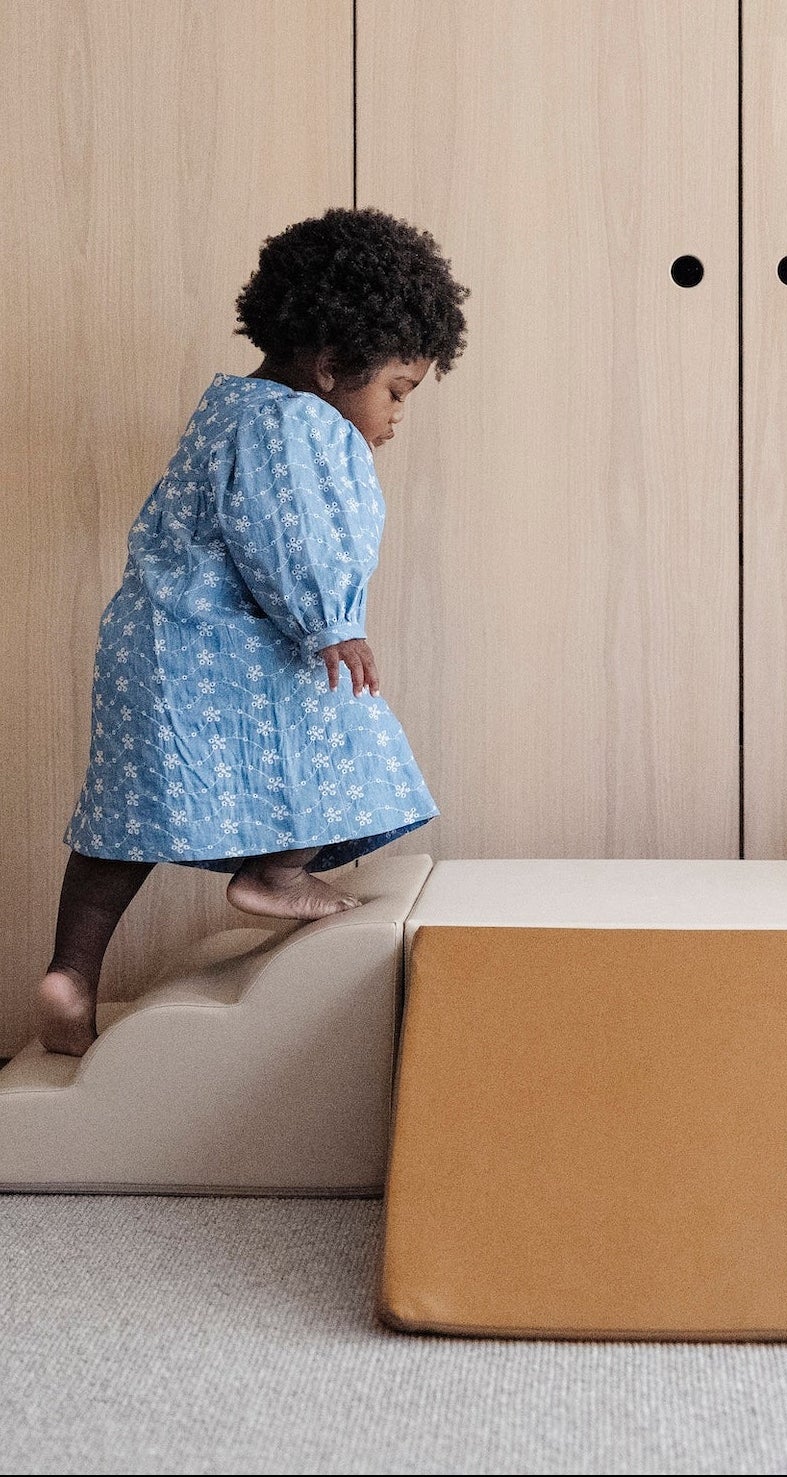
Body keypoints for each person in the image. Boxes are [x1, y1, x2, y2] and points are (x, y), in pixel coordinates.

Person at [35, 207, 469, 1056]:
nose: (396, 416)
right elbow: (291, 528)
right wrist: (331, 620)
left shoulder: (228, 406)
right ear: (331, 364)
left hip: (151, 642)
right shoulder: (299, 422)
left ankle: (69, 976)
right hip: (229, 644)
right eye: (396, 392)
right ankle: (276, 874)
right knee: (346, 725)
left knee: (125, 825)